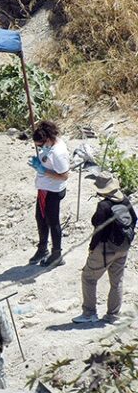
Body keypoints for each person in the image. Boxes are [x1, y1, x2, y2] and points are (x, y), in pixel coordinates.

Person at [72, 173, 136, 324]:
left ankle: (89, 313)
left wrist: (91, 248)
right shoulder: (125, 199)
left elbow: (98, 230)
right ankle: (113, 315)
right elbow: (134, 220)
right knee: (117, 281)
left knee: (88, 277)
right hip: (123, 247)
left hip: (105, 249)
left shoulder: (103, 205)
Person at [27, 120, 69, 268]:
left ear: (48, 139)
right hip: (44, 189)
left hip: (53, 191)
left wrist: (43, 170)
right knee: (40, 218)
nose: (40, 148)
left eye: (41, 145)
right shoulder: (51, 144)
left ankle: (57, 255)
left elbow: (64, 175)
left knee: (53, 222)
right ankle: (42, 249)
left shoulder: (58, 153)